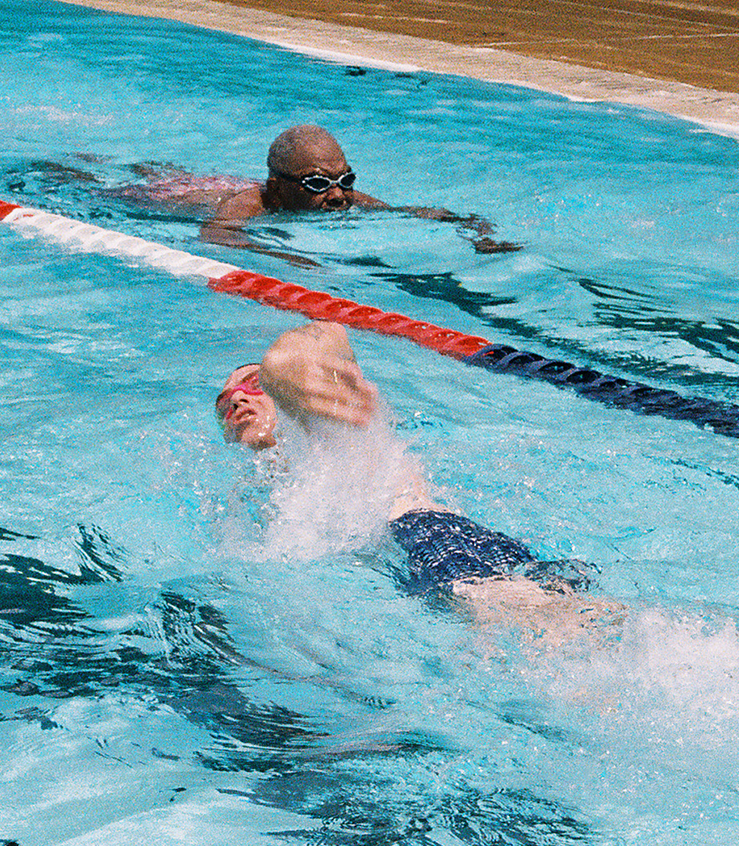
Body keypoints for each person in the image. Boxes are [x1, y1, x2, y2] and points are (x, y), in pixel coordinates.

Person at [214, 323, 608, 635]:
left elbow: (327, 333)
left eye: (254, 384)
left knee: (563, 643)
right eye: (224, 403)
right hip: (415, 571)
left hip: (435, 541)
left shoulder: (323, 429)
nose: (237, 399)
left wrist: (284, 369)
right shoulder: (267, 492)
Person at [123, 124, 517, 266]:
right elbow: (216, 233)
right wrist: (282, 254)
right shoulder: (254, 202)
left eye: (345, 180)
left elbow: (417, 213)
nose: (336, 195)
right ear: (278, 190)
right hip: (158, 196)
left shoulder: (343, 195)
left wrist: (478, 231)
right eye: (316, 184)